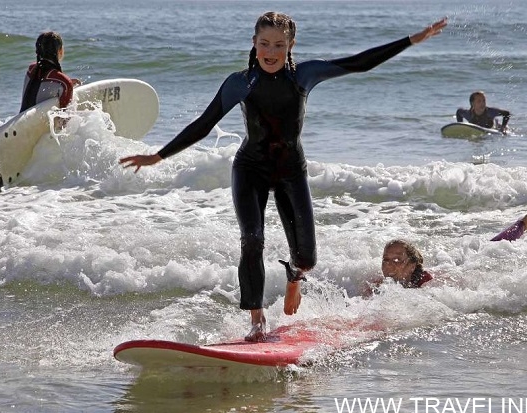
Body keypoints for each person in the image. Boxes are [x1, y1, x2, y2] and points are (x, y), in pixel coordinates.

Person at [119, 12, 448, 342]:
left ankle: (294, 277)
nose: (271, 51)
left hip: (291, 170)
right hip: (251, 169)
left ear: (291, 45)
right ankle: (256, 319)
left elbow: (357, 63)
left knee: (306, 257)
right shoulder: (240, 82)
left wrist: (411, 40)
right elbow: (204, 123)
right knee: (252, 240)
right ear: (254, 43)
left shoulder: (304, 76)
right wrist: (158, 155)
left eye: (279, 44)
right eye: (264, 44)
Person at [364, 215, 527, 296]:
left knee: (494, 249)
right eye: (385, 259)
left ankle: (524, 223)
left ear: (411, 265)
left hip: (465, 271)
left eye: (397, 260)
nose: (388, 265)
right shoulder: (378, 284)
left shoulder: (426, 283)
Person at [20, 31, 82, 113]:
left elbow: (40, 87)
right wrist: (67, 84)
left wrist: (67, 82)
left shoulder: (31, 70)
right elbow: (64, 121)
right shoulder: (64, 83)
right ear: (60, 51)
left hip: (21, 121)